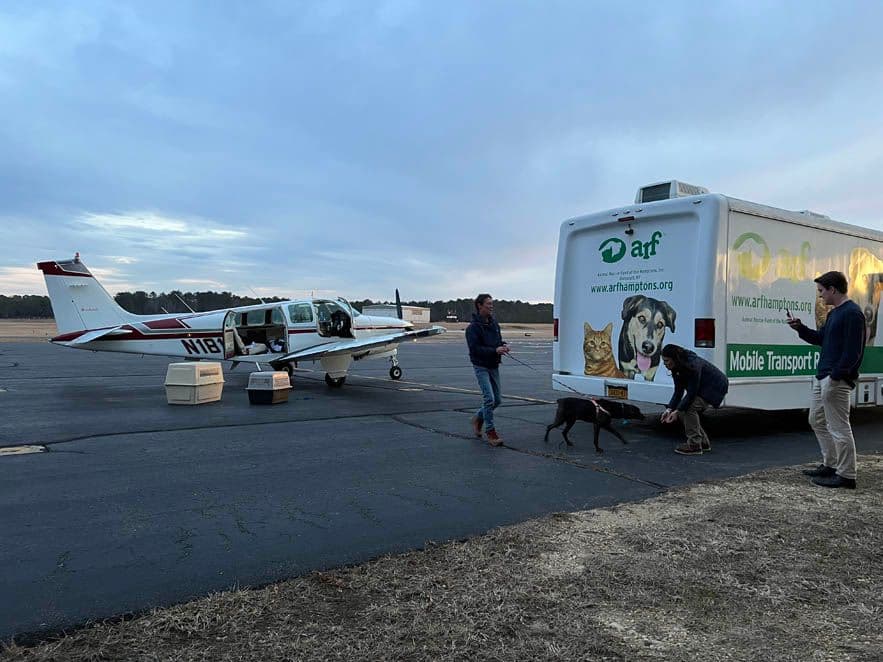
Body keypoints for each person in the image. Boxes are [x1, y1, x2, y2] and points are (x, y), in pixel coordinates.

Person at [787, 271, 865, 489]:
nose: (820, 296)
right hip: (823, 377)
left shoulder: (852, 313)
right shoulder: (834, 314)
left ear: (833, 289)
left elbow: (853, 352)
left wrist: (836, 376)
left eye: (821, 291)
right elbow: (821, 339)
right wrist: (800, 328)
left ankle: (847, 475)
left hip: (834, 380)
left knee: (839, 427)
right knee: (817, 420)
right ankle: (831, 465)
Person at [659, 344, 729, 455]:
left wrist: (677, 411)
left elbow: (692, 394)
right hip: (703, 387)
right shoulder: (676, 366)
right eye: (663, 361)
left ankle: (694, 444)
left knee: (688, 408)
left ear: (674, 359)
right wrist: (669, 409)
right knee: (682, 409)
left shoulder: (693, 365)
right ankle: (703, 442)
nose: (665, 364)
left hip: (715, 387)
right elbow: (678, 391)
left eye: (667, 361)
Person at [466, 293, 509, 447]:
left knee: (497, 400)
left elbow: (497, 341)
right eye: (488, 304)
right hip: (481, 366)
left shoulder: (494, 324)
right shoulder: (472, 328)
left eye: (492, 304)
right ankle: (490, 432)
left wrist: (503, 346)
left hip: (494, 365)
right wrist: (494, 350)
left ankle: (478, 417)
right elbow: (475, 349)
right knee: (489, 398)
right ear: (479, 305)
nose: (491, 307)